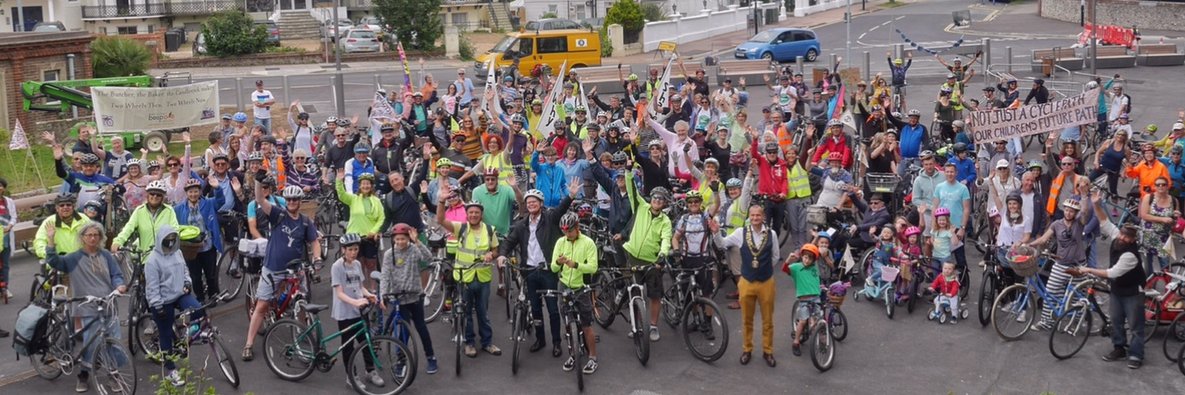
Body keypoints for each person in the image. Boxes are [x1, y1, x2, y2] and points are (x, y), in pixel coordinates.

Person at [44, 221, 127, 393]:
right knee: (91, 343)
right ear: (82, 238)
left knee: (115, 342)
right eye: (89, 235)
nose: (93, 238)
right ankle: (83, 375)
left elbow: (117, 275)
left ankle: (113, 373)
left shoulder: (106, 256)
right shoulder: (74, 258)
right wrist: (51, 241)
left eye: (96, 235)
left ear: (101, 237)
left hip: (108, 304)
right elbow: (54, 261)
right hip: (86, 307)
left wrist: (119, 285)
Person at [241, 183, 320, 361]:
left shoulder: (306, 222)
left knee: (302, 303)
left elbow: (314, 242)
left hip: (295, 270)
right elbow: (260, 199)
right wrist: (259, 182)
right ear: (286, 201)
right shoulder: (278, 214)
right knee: (262, 306)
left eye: (295, 199)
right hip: (273, 268)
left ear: (300, 201)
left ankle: (302, 333)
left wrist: (317, 260)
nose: (292, 202)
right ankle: (248, 343)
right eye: (289, 199)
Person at [1072, 191, 1145, 369]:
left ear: (1133, 240)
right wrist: (1096, 204)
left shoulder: (1130, 255)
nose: (1122, 237)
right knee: (1116, 321)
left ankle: (1136, 354)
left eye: (1127, 236)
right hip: (1117, 290)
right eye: (1122, 233)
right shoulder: (1117, 238)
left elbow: (1112, 273)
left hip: (1133, 292)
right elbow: (1105, 222)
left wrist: (1088, 269)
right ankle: (1118, 348)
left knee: (1135, 325)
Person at [435, 182, 502, 358]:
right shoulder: (461, 228)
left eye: (476, 213)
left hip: (483, 278)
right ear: (467, 214)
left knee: (483, 313)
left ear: (481, 214)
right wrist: (441, 202)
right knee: (466, 313)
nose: (473, 215)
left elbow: (496, 250)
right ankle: (469, 343)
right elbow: (440, 220)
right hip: (464, 277)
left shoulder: (489, 230)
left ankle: (487, 343)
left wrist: (491, 255)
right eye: (471, 212)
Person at [712, 205, 778, 367]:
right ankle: (747, 349)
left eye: (758, 215)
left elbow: (775, 256)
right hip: (746, 282)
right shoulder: (741, 233)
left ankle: (767, 351)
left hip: (766, 282)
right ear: (749, 216)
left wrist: (763, 269)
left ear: (763, 217)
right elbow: (722, 244)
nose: (755, 218)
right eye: (753, 215)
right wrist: (715, 232)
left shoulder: (772, 234)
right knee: (746, 319)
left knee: (768, 320)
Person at [144, 225, 204, 386]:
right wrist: (157, 306)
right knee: (165, 335)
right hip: (162, 300)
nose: (170, 242)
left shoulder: (177, 253)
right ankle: (170, 370)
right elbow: (152, 287)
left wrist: (187, 283)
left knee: (199, 311)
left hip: (179, 293)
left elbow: (185, 271)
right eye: (167, 240)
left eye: (173, 239)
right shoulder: (152, 261)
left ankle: (185, 337)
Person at [1026, 197, 1095, 330]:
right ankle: (1046, 322)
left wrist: (1084, 196)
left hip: (1078, 265)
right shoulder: (1056, 224)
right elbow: (1044, 239)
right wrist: (1028, 244)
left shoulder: (1079, 223)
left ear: (1075, 213)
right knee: (1050, 293)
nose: (1069, 213)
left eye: (1072, 211)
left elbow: (1085, 212)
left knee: (1076, 296)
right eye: (1067, 210)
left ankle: (1077, 320)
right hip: (1060, 264)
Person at [379, 223, 439, 374]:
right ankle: (401, 361)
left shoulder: (414, 250)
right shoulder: (388, 254)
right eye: (397, 239)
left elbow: (428, 258)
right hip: (399, 299)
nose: (400, 242)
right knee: (403, 332)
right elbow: (385, 276)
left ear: (408, 238)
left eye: (403, 239)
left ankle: (431, 357)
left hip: (415, 296)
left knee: (421, 328)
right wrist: (383, 295)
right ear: (393, 239)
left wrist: (417, 241)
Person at [622, 170, 673, 342]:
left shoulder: (665, 221)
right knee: (634, 294)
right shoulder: (642, 207)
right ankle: (636, 326)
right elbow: (632, 190)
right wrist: (628, 173)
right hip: (634, 257)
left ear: (665, 203)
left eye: (661, 199)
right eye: (655, 197)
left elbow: (666, 239)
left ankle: (652, 326)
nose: (657, 201)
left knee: (655, 295)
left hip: (652, 262)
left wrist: (662, 254)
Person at [328, 233, 383, 387]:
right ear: (343, 250)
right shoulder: (337, 266)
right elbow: (339, 293)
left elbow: (360, 287)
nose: (353, 252)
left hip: (359, 311)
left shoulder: (357, 265)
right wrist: (355, 301)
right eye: (350, 249)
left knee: (366, 342)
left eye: (356, 249)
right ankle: (351, 376)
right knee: (348, 346)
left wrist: (369, 295)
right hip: (345, 313)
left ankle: (370, 370)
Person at [551, 212, 601, 374]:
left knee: (587, 325)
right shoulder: (560, 242)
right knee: (567, 323)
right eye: (564, 231)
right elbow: (553, 268)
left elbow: (593, 267)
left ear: (577, 228)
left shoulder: (588, 243)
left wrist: (575, 264)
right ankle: (573, 353)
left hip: (581, 287)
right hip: (564, 285)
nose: (567, 234)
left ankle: (592, 357)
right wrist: (558, 263)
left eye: (570, 231)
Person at [174, 178, 225, 304]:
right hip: (190, 248)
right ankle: (200, 298)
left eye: (196, 191)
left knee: (210, 273)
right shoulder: (179, 208)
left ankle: (213, 294)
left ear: (200, 192)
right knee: (195, 275)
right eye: (190, 192)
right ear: (186, 193)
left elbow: (220, 201)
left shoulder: (208, 203)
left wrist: (217, 188)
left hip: (207, 245)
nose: (193, 194)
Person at [335, 172, 385, 290]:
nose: (365, 186)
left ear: (371, 186)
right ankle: (362, 290)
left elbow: (381, 218)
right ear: (360, 186)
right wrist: (339, 181)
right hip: (355, 237)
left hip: (369, 237)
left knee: (371, 265)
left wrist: (374, 231)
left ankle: (372, 290)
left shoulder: (376, 201)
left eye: (368, 184)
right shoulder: (354, 199)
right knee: (359, 265)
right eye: (363, 184)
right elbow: (341, 195)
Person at [111, 180, 179, 254]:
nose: (155, 196)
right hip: (146, 257)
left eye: (158, 194)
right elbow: (128, 228)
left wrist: (170, 242)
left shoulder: (169, 210)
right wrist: (118, 241)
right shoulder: (139, 211)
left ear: (162, 197)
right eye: (152, 194)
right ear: (147, 195)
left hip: (165, 255)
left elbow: (175, 229)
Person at [785, 243, 821, 357]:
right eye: (805, 257)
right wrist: (788, 260)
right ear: (802, 256)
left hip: (816, 298)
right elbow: (785, 269)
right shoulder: (796, 267)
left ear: (814, 260)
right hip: (804, 300)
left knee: (815, 321)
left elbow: (817, 251)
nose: (807, 260)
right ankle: (796, 342)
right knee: (803, 321)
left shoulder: (814, 268)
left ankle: (819, 339)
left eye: (810, 258)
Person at [1137, 176, 1177, 275]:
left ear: (1168, 186)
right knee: (1147, 266)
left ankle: (1168, 288)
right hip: (1147, 236)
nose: (1160, 186)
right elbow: (1144, 215)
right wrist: (1162, 219)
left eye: (1163, 184)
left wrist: (1176, 218)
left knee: (1166, 266)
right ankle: (1150, 286)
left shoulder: (1174, 200)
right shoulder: (1149, 197)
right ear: (1154, 186)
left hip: (1164, 238)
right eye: (1157, 184)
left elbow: (1175, 221)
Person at [0, 178, 14, 301]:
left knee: (5, 264)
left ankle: (5, 287)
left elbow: (13, 217)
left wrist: (9, 226)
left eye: (1, 186)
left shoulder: (8, 201)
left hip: (5, 236)